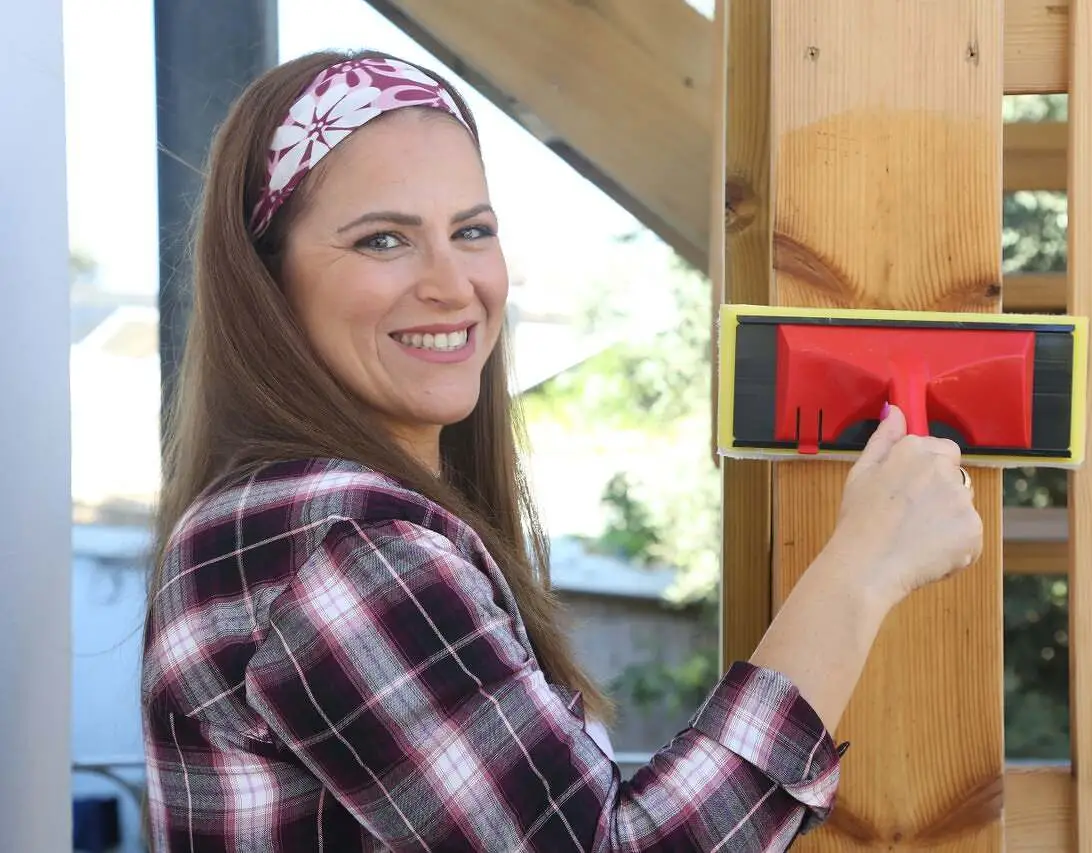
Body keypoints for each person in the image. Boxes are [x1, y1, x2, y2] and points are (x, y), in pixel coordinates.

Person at [140, 49, 983, 852]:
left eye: (472, 230)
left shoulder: (296, 525)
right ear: (268, 281)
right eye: (383, 240)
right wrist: (862, 568)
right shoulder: (341, 548)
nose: (452, 285)